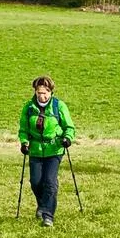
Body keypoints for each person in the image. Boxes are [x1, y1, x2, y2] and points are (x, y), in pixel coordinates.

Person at [18, 75, 77, 227]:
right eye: (39, 92)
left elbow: (69, 127)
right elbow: (23, 129)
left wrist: (67, 138)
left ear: (51, 92)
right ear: (35, 92)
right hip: (36, 150)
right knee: (36, 182)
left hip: (54, 149)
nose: (42, 96)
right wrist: (24, 143)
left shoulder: (59, 106)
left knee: (50, 182)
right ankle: (43, 204)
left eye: (45, 92)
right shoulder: (29, 107)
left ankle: (48, 215)